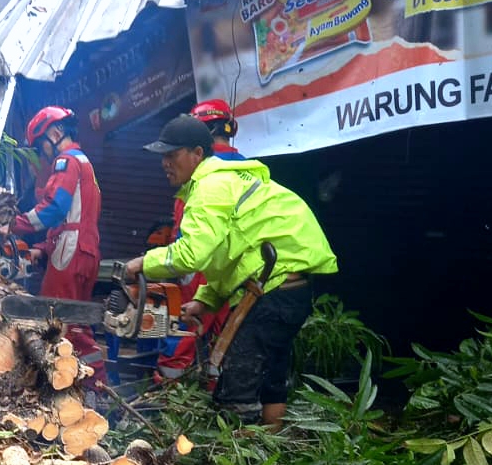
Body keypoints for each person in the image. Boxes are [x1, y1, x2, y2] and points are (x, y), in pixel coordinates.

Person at [125, 115, 337, 429]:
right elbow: (228, 257)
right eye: (163, 156)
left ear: (197, 153)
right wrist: (205, 301)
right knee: (271, 375)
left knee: (236, 383)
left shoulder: (210, 186)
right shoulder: (222, 180)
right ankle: (271, 452)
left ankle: (240, 462)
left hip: (274, 287)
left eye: (172, 154)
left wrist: (142, 263)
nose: (165, 163)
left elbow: (191, 255)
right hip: (287, 286)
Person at [10, 106, 105, 385]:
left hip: (71, 254)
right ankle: (89, 386)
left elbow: (53, 209)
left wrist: (13, 224)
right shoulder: (83, 162)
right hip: (82, 251)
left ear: (55, 133)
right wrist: (43, 246)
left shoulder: (66, 162)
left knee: (60, 323)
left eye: (41, 145)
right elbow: (71, 218)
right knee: (76, 321)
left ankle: (95, 388)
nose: (42, 154)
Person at [156, 100, 246, 380]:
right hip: (232, 269)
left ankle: (166, 398)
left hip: (197, 267)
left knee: (180, 328)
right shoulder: (244, 165)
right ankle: (215, 397)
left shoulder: (201, 168)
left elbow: (190, 232)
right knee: (224, 338)